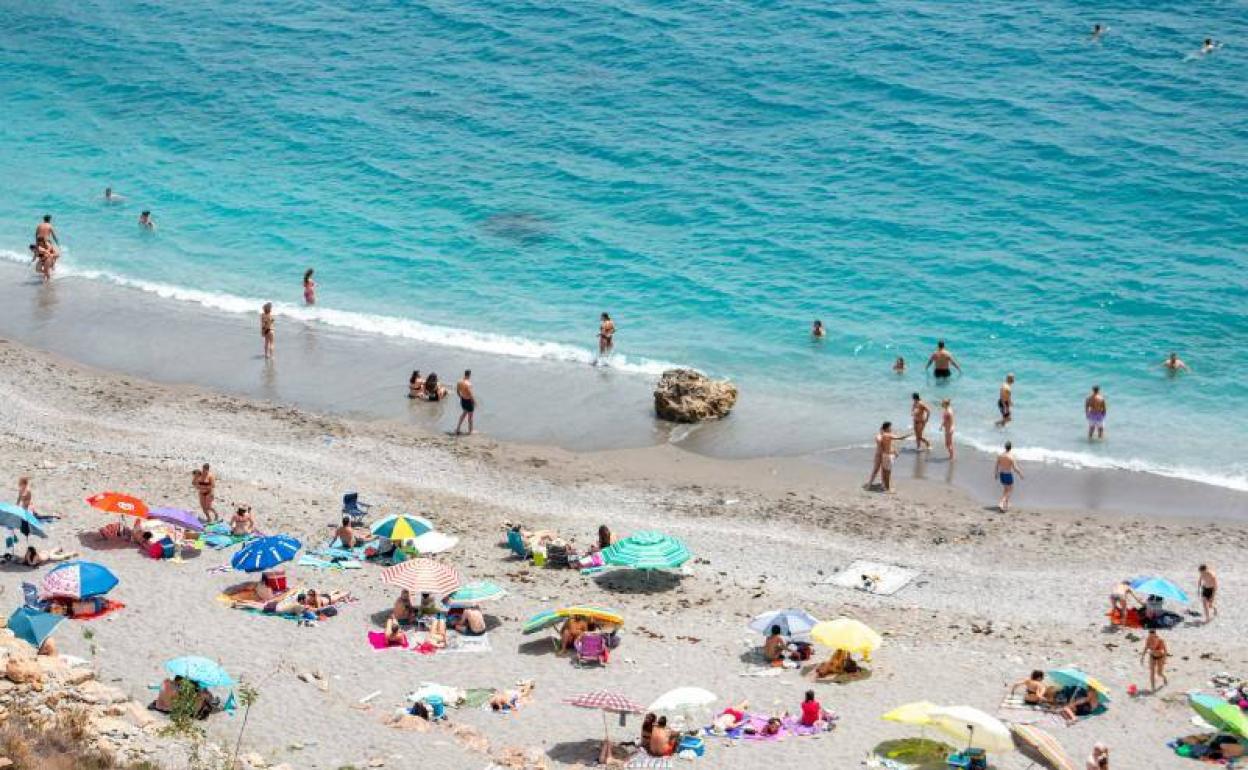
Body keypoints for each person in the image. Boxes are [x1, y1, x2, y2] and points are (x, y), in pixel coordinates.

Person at [866, 421, 911, 493]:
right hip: (883, 455)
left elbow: (889, 444)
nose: (891, 428)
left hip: (884, 455)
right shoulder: (884, 435)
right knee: (883, 471)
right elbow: (899, 438)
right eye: (890, 427)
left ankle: (884, 486)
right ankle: (883, 487)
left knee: (884, 471)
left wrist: (894, 451)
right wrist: (908, 434)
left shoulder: (884, 435)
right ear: (886, 428)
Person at [994, 441, 1023, 511]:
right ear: (1011, 447)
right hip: (1008, 474)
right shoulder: (1011, 457)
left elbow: (996, 465)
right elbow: (1015, 468)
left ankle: (1006, 504)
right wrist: (1020, 473)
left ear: (1005, 447)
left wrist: (996, 474)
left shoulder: (1000, 455)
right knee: (1010, 490)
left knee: (1006, 489)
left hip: (1001, 474)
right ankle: (1001, 502)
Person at [455, 370, 475, 435]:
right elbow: (470, 394)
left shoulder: (459, 382)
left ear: (464, 374)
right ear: (469, 375)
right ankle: (470, 431)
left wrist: (461, 397)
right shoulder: (468, 384)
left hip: (463, 400)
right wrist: (474, 401)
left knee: (463, 414)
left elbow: (457, 391)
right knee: (470, 417)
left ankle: (458, 428)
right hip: (469, 401)